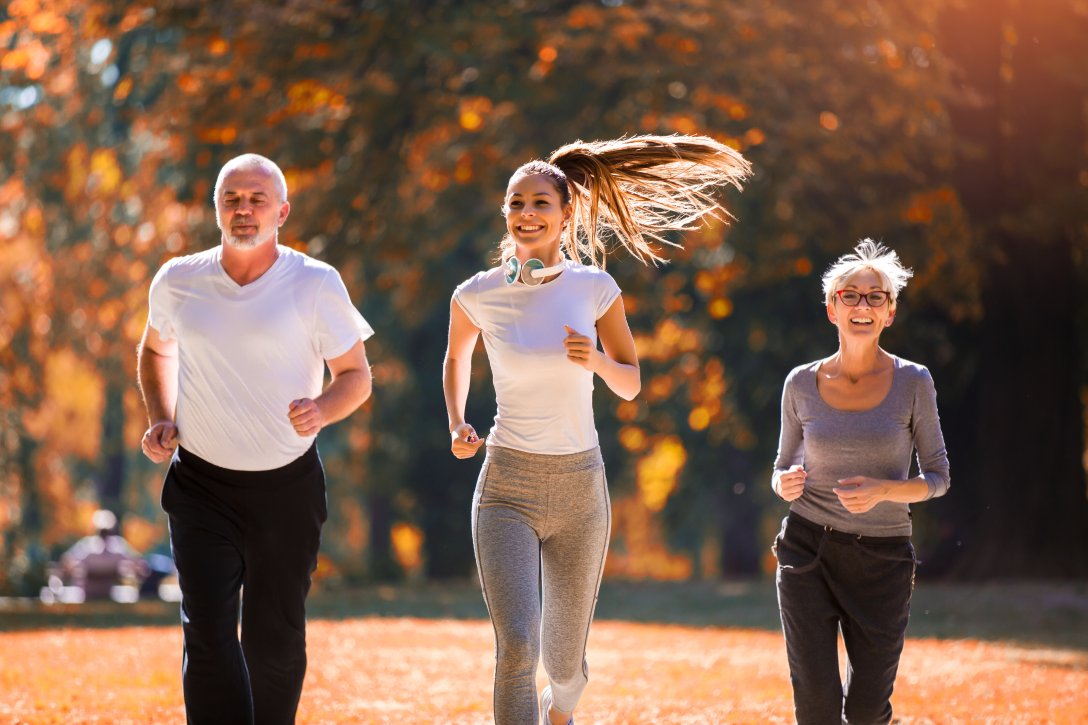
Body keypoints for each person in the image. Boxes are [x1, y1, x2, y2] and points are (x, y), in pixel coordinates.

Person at [444, 135, 750, 724]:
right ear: (504, 214)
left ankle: (562, 709)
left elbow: (631, 382)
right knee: (518, 648)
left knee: (561, 662)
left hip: (581, 490)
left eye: (539, 204)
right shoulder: (478, 294)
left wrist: (598, 362)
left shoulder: (594, 289)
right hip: (506, 485)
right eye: (515, 204)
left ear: (564, 215)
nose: (526, 214)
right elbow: (456, 359)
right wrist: (458, 420)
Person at [137, 153, 374, 725]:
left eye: (256, 199)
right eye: (232, 199)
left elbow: (357, 377)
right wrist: (161, 416)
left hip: (286, 489)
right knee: (209, 633)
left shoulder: (316, 283)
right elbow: (153, 351)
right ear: (217, 208)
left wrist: (320, 409)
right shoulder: (179, 279)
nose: (243, 210)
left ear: (282, 211)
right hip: (200, 485)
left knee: (274, 638)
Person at [770, 239, 951, 724]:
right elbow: (782, 465)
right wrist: (784, 482)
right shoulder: (800, 383)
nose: (862, 306)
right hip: (808, 550)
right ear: (832, 308)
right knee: (816, 706)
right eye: (851, 295)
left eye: (875, 297)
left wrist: (884, 489)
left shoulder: (914, 382)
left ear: (889, 313)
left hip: (883, 558)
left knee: (868, 710)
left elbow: (938, 477)